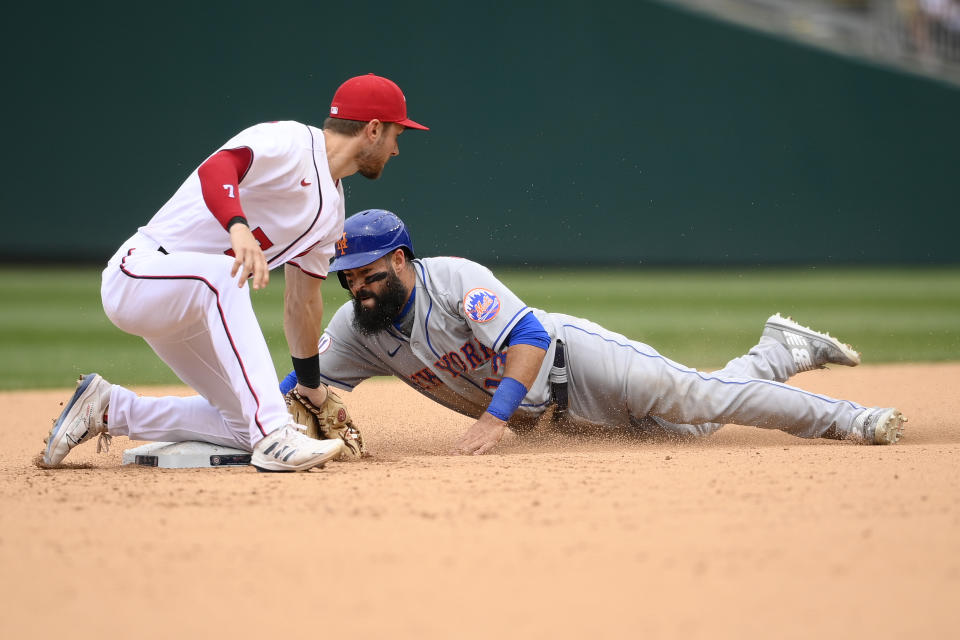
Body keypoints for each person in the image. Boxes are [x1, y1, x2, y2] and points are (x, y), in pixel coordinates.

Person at [280, 209, 906, 455]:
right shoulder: (357, 328)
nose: (356, 288)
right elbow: (299, 383)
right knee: (700, 428)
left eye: (365, 274)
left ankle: (851, 420)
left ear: (399, 260)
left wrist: (493, 420)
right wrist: (266, 420)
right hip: (553, 414)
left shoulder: (453, 280)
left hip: (574, 361)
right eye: (345, 279)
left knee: (701, 400)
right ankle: (778, 348)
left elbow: (525, 338)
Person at [43, 74, 428, 472]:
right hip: (141, 273)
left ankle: (110, 410)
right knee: (225, 277)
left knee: (242, 423)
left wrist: (311, 387)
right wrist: (237, 225)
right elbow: (218, 168)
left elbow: (303, 303)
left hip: (193, 308)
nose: (397, 149)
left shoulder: (331, 213)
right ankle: (273, 436)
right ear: (373, 129)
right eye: (397, 134)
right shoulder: (292, 142)